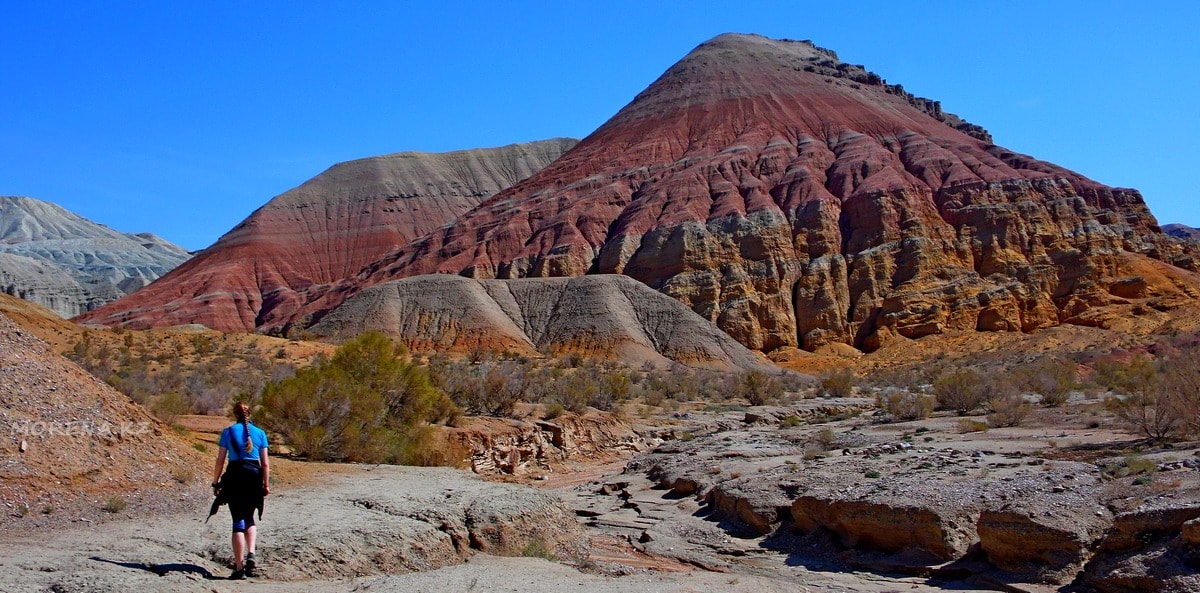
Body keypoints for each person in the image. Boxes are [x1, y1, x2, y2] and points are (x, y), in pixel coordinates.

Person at [212, 402, 270, 580]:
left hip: (235, 478)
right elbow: (265, 463)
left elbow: (220, 461)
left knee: (237, 521)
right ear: (249, 413)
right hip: (254, 478)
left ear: (234, 414)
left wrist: (216, 482)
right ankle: (251, 553)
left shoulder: (228, 432)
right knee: (250, 518)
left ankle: (239, 567)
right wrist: (265, 485)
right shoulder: (260, 433)